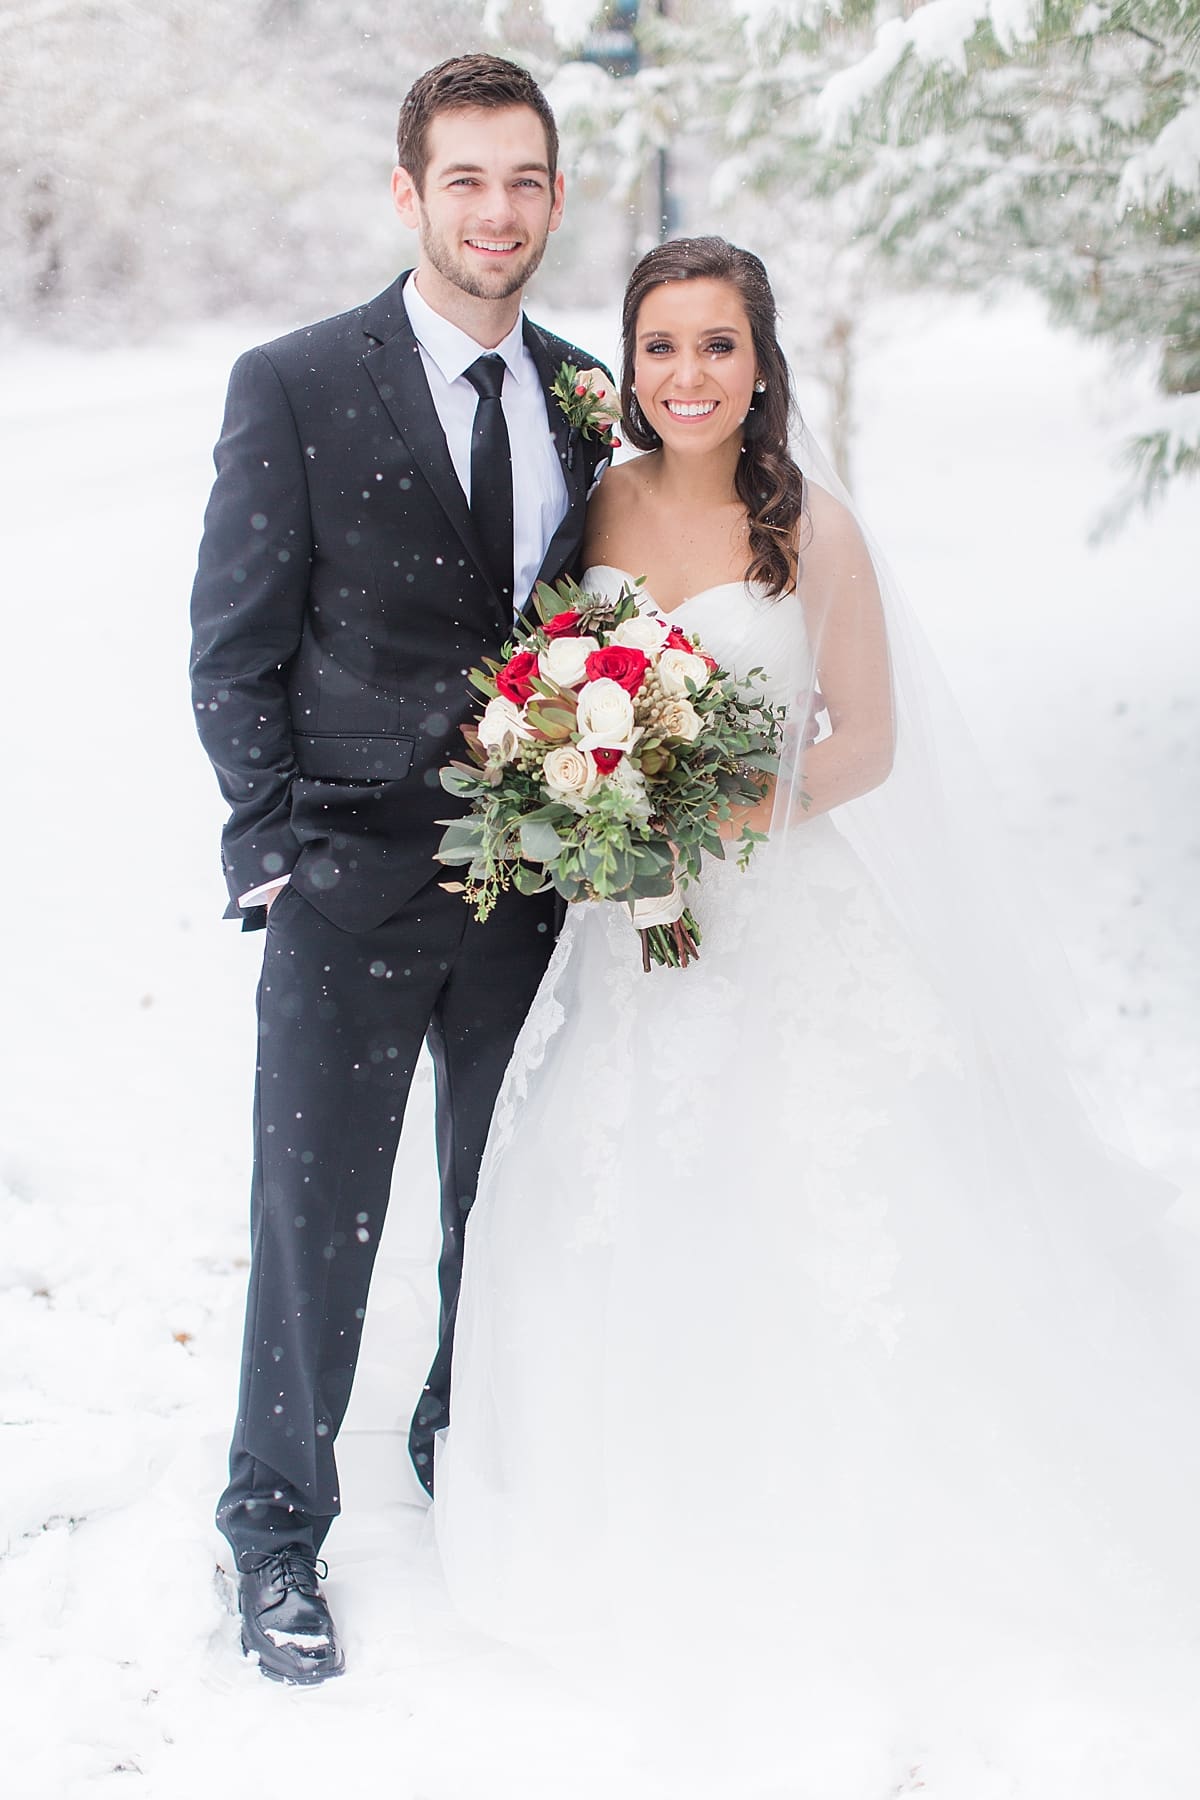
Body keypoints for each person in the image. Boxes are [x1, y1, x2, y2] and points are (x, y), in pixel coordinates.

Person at [434, 238, 1200, 1797]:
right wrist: (595, 798)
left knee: (830, 1191)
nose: (687, 376)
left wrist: (724, 805)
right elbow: (557, 684)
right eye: (660, 347)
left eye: (718, 347)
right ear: (631, 363)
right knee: (634, 1187)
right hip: (631, 924)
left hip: (781, 909)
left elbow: (869, 741)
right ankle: (653, 1482)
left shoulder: (812, 527)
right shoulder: (597, 512)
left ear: (763, 364)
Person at [189, 53, 612, 1684]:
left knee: (504, 1210)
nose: (495, 211)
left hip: (536, 896)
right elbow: (233, 646)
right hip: (349, 884)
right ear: (408, 193)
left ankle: (462, 1434)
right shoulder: (293, 383)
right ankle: (274, 1523)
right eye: (465, 181)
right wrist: (278, 844)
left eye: (524, 181)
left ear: (553, 198)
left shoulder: (588, 395)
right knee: (315, 1220)